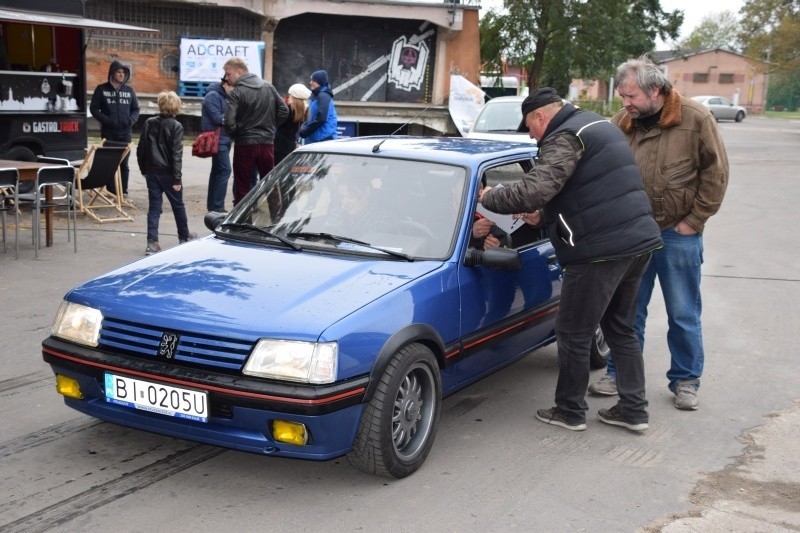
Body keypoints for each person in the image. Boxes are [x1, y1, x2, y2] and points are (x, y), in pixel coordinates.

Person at [480, 87, 662, 432]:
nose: (531, 135)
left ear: (540, 117)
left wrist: (492, 197)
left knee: (573, 332)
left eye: (530, 127)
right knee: (620, 328)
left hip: (599, 251)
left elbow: (533, 189)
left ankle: (569, 411)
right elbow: (587, 189)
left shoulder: (565, 136)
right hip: (637, 242)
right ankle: (634, 410)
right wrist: (544, 217)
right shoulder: (597, 125)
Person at [588, 57, 729, 411]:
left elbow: (716, 174)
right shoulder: (621, 123)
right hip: (632, 235)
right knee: (626, 312)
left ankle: (685, 380)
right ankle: (617, 373)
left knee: (682, 312)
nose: (626, 104)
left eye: (631, 96)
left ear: (655, 90)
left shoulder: (696, 120)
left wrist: (693, 221)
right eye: (621, 96)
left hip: (677, 234)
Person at [222, 57, 289, 206]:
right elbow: (284, 110)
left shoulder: (237, 92)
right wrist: (270, 127)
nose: (226, 78)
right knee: (269, 183)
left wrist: (236, 133)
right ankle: (276, 218)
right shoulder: (268, 86)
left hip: (245, 144)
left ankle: (240, 223)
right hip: (266, 143)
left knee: (242, 186)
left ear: (238, 72)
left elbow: (228, 122)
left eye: (228, 74)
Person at [136, 91, 196, 256]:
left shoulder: (149, 123)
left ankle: (152, 242)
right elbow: (176, 154)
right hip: (169, 173)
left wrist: (143, 169)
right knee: (178, 205)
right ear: (176, 107)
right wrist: (177, 178)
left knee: (155, 207)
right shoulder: (176, 126)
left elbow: (141, 149)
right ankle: (184, 236)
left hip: (152, 172)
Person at [90, 60, 139, 198]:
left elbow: (136, 109)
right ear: (112, 73)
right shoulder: (101, 89)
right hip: (109, 133)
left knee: (124, 164)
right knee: (110, 163)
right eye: (119, 72)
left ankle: (123, 191)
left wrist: (131, 120)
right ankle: (111, 192)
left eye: (123, 72)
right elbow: (93, 109)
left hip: (125, 133)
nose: (121, 75)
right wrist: (107, 120)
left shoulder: (129, 91)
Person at [201, 79, 232, 212]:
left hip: (224, 138)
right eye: (233, 87)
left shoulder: (224, 96)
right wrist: (233, 118)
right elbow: (217, 118)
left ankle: (213, 205)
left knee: (217, 171)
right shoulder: (212, 96)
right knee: (225, 170)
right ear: (225, 84)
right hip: (218, 139)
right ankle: (218, 207)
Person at [275, 83, 311, 165]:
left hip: (279, 146)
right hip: (290, 145)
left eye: (290, 96)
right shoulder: (303, 110)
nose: (289, 97)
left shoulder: (287, 110)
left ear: (294, 98)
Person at [299, 70, 338, 144]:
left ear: (319, 82)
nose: (310, 82)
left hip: (325, 139)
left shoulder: (323, 96)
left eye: (313, 80)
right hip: (317, 138)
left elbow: (321, 118)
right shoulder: (315, 95)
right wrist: (303, 127)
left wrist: (306, 130)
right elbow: (310, 116)